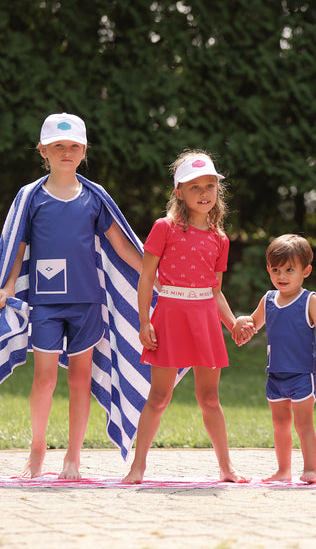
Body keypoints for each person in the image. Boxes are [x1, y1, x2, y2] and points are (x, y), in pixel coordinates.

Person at [0, 113, 145, 479]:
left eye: (73, 145)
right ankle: (37, 448)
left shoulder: (93, 198)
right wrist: (9, 285)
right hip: (44, 301)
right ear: (42, 150)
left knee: (80, 378)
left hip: (86, 301)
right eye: (58, 146)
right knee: (44, 378)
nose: (66, 151)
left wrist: (155, 275)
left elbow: (121, 246)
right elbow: (19, 245)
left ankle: (73, 456)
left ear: (84, 150)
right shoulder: (31, 197)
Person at [122, 151, 249, 484]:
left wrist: (232, 322)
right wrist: (144, 322)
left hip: (205, 320)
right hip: (170, 316)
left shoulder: (220, 239)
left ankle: (226, 467)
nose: (205, 193)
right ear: (179, 192)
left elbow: (215, 291)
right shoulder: (164, 228)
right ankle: (138, 467)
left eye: (210, 185)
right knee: (159, 396)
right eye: (195, 187)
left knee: (210, 398)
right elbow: (147, 277)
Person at [232, 234, 316, 484]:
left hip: (302, 374)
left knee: (304, 425)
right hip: (275, 375)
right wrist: (241, 325)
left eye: (289, 270)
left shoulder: (309, 300)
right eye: (276, 269)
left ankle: (310, 469)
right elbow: (253, 323)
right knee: (280, 425)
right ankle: (283, 471)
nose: (281, 275)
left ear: (306, 271)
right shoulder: (268, 299)